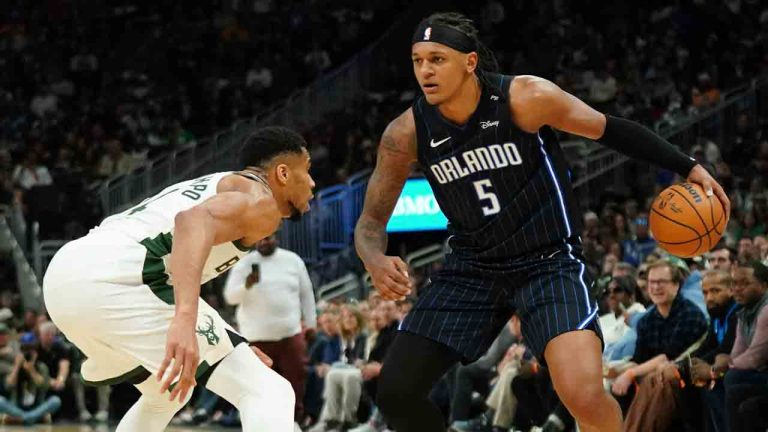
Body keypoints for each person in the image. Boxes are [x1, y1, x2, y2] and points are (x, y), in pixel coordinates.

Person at [353, 11, 730, 432]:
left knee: (583, 393)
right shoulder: (405, 133)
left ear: (470, 62)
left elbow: (610, 129)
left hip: (547, 261)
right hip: (472, 268)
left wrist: (688, 165)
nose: (425, 70)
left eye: (437, 59)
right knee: (396, 392)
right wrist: (373, 258)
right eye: (418, 60)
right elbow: (370, 223)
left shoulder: (526, 98)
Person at [43, 126, 316, 431]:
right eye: (307, 170)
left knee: (166, 393)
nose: (312, 182)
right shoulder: (260, 199)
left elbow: (170, 264)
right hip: (116, 280)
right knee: (269, 391)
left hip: (66, 279)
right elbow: (192, 222)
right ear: (282, 173)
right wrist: (185, 321)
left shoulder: (221, 187)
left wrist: (228, 342)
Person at [224, 232, 317, 424]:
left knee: (295, 380)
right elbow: (230, 297)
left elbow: (306, 294)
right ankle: (261, 423)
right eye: (260, 239)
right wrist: (246, 285)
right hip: (255, 338)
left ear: (277, 238)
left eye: (268, 238)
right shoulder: (244, 263)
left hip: (289, 334)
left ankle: (293, 422)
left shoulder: (293, 260)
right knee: (258, 386)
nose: (264, 242)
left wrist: (311, 323)